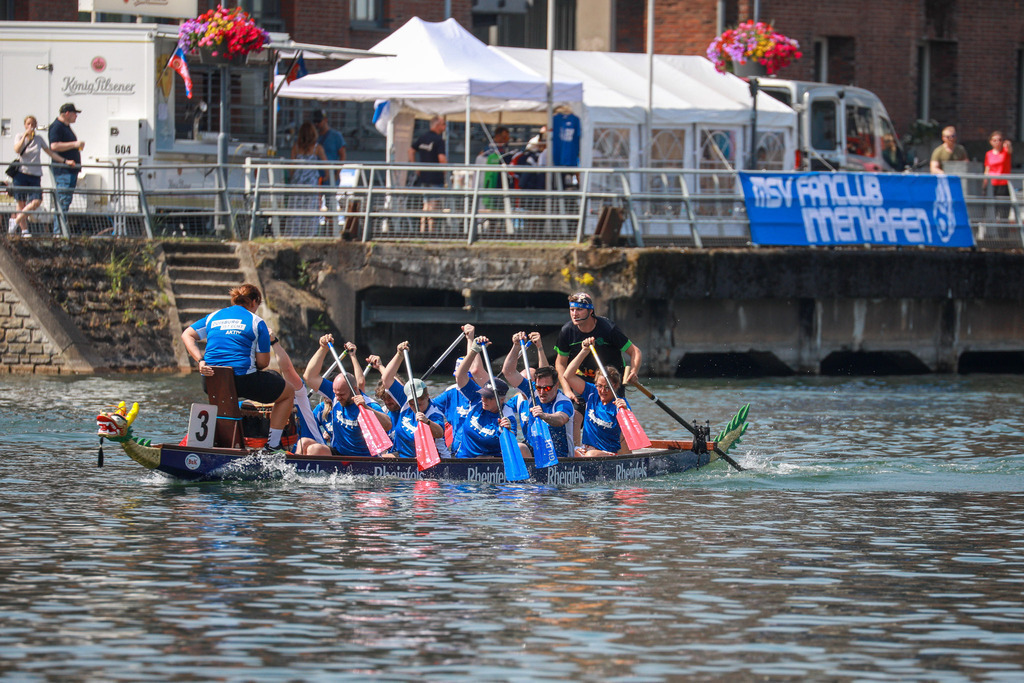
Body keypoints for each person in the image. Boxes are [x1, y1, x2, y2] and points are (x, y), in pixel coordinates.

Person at [181, 284, 294, 453]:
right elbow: (263, 363)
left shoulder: (214, 316)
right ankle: (273, 446)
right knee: (288, 393)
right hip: (243, 381)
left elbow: (187, 334)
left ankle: (219, 441)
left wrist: (200, 360)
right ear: (255, 302)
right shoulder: (257, 322)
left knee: (229, 396)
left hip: (211, 381)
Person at [302, 334, 393, 457]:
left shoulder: (369, 404)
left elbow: (388, 425)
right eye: (336, 394)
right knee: (310, 447)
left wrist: (366, 408)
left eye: (342, 395)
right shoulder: (335, 394)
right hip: (338, 453)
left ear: (354, 389)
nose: (337, 398)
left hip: (362, 459)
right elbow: (309, 377)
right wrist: (323, 348)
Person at [502, 331, 574, 461]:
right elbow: (508, 372)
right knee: (517, 447)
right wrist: (516, 346)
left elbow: (560, 419)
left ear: (556, 385)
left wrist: (544, 416)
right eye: (539, 388)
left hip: (559, 457)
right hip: (534, 453)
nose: (542, 392)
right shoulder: (531, 391)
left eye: (546, 388)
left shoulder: (563, 402)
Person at [554, 291, 642, 394]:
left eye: (579, 309)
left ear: (590, 311)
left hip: (610, 380)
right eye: (572, 310)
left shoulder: (608, 329)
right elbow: (560, 363)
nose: (574, 314)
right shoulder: (567, 331)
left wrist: (634, 372)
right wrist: (567, 390)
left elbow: (635, 351)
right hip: (583, 380)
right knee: (577, 409)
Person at [561, 336, 631, 457]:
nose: (602, 391)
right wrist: (584, 351)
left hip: (609, 453)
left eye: (607, 387)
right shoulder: (591, 392)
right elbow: (567, 375)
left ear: (615, 386)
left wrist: (625, 411)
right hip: (587, 450)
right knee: (568, 451)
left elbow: (630, 433)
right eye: (599, 386)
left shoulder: (620, 403)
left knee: (591, 455)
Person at [8, 115, 75, 238]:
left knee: (36, 201)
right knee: (21, 202)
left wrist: (65, 161)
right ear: (25, 125)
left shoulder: (39, 139)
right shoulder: (19, 136)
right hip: (21, 173)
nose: (31, 126)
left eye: (33, 124)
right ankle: (24, 231)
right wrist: (25, 136)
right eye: (28, 124)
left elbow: (50, 153)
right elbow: (17, 150)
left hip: (35, 175)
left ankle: (15, 221)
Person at [379, 341, 447, 459]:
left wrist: (427, 422)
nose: (416, 405)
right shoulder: (404, 401)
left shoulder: (434, 413)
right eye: (412, 402)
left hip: (432, 458)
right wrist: (399, 355)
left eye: (420, 400)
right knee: (380, 459)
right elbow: (387, 379)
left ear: (427, 396)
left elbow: (439, 433)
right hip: (403, 456)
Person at [453, 333, 516, 458]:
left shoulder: (507, 416)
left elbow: (511, 443)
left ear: (501, 400)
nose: (483, 399)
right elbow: (460, 376)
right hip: (463, 459)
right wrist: (474, 350)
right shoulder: (477, 398)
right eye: (483, 395)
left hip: (488, 465)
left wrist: (508, 430)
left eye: (489, 397)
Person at [48, 103, 85, 237]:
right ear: (67, 113)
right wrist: (74, 144)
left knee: (65, 200)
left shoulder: (65, 127)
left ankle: (61, 230)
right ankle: (58, 232)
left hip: (70, 170)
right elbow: (54, 146)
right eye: (75, 113)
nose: (76, 116)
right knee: (63, 200)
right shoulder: (57, 126)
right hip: (63, 170)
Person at [408, 115, 448, 233]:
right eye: (443, 124)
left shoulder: (423, 137)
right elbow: (442, 158)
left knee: (426, 204)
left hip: (424, 177)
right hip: (435, 177)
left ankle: (422, 229)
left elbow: (411, 151)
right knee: (434, 204)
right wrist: (445, 172)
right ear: (437, 125)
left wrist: (416, 167)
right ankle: (431, 231)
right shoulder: (438, 140)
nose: (445, 127)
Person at [287, 121, 327, 236]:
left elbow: (292, 167)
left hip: (297, 183)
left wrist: (292, 178)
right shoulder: (317, 148)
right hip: (311, 183)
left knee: (296, 211)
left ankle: (294, 234)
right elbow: (326, 163)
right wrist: (327, 176)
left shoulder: (296, 148)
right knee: (310, 210)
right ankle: (309, 234)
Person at [312, 109, 346, 224]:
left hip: (331, 176)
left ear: (325, 120)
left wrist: (337, 173)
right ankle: (316, 229)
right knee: (314, 204)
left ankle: (331, 231)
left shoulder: (336, 136)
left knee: (330, 205)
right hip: (316, 176)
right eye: (315, 122)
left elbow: (342, 155)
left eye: (319, 121)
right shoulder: (313, 136)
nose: (317, 124)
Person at [984, 130, 1013, 220]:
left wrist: (1008, 145)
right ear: (990, 142)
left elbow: (1010, 150)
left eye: (1000, 140)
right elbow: (987, 169)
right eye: (995, 140)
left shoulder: (1005, 152)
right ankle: (991, 233)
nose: (997, 142)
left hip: (1003, 184)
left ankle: (1003, 232)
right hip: (992, 184)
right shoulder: (988, 154)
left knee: (1003, 210)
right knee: (992, 210)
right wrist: (984, 184)